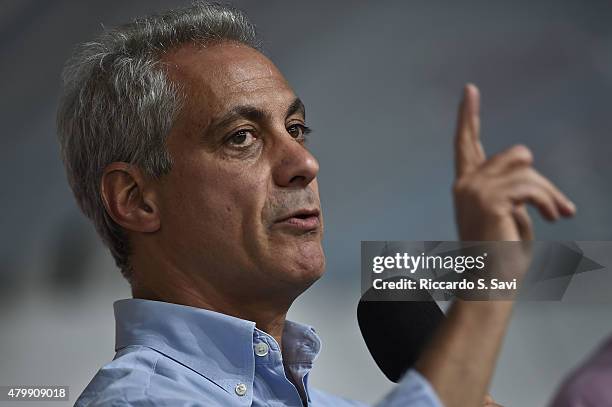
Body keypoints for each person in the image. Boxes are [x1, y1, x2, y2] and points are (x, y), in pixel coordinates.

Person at [56, 2, 576, 406]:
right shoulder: (140, 399)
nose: (304, 162)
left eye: (296, 128)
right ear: (136, 198)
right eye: (241, 137)